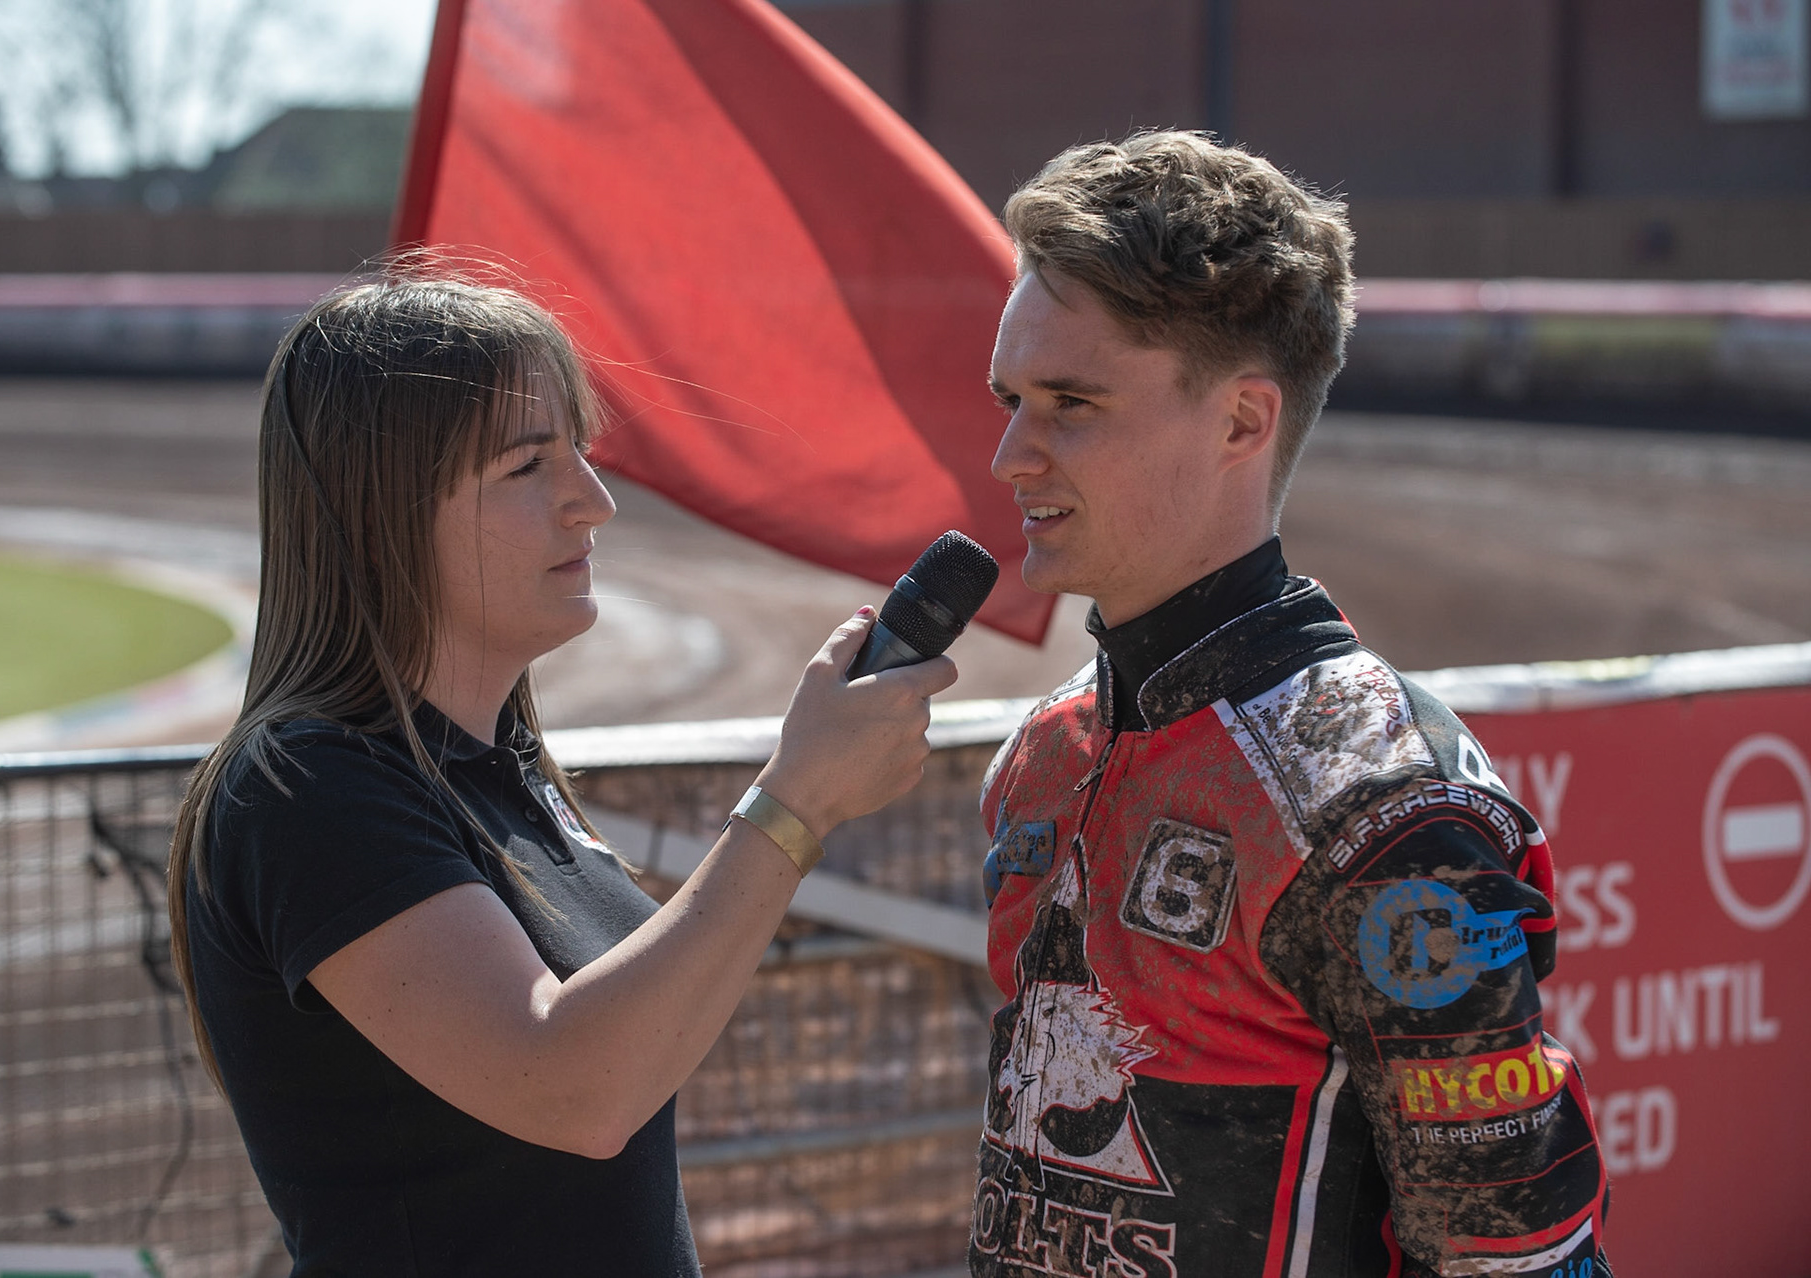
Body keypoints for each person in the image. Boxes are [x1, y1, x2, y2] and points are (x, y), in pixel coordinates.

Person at [164, 271, 957, 1276]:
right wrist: (797, 802)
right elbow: (576, 1090)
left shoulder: (502, 770)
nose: (594, 502)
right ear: (385, 511)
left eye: (579, 451)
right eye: (529, 466)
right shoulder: (305, 787)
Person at [968, 132, 1612, 1277]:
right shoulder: (1043, 752)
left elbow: (1525, 1260)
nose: (1014, 452)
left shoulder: (1379, 807)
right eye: (1012, 397)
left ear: (1242, 423)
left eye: (1071, 402)